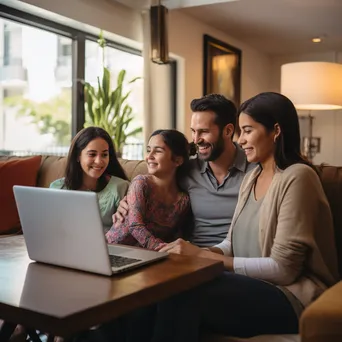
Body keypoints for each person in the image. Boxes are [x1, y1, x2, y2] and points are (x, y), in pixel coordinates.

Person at [148, 92, 339, 341]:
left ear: (276, 131)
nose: (241, 140)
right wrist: (192, 253)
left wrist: (203, 257)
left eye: (247, 130)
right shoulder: (252, 177)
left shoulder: (298, 177)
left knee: (183, 291)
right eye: (240, 131)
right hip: (250, 285)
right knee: (165, 286)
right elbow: (230, 243)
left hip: (291, 296)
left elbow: (283, 270)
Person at [114, 94, 255, 246]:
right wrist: (128, 203)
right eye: (193, 131)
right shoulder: (187, 169)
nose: (196, 139)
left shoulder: (255, 169)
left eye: (203, 131)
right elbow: (155, 185)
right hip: (193, 256)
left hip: (236, 257)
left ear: (228, 131)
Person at [105, 129, 191, 250]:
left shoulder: (183, 201)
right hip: (112, 249)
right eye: (149, 150)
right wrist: (163, 249)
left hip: (147, 256)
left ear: (177, 160)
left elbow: (175, 235)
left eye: (158, 151)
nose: (149, 157)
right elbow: (135, 226)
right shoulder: (141, 183)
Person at [50, 126, 129, 234]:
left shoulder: (121, 187)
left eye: (104, 154)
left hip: (106, 248)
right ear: (78, 156)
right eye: (92, 154)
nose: (99, 161)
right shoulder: (57, 188)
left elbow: (129, 230)